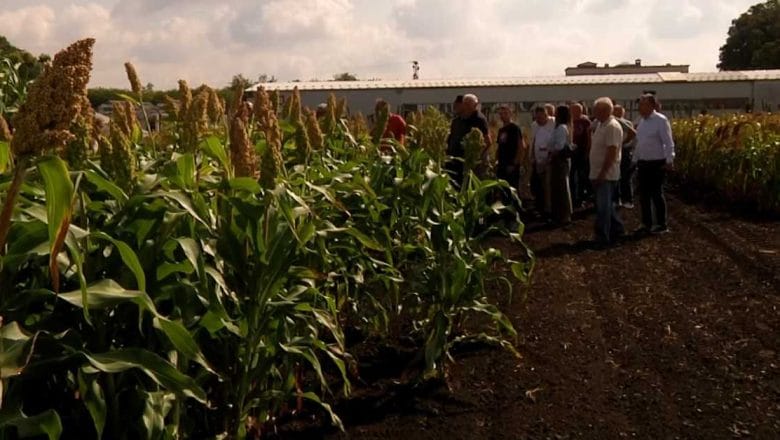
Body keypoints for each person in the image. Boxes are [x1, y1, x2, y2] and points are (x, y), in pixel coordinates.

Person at [633, 93, 675, 234]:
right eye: (640, 105)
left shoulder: (661, 121)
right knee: (644, 195)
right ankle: (646, 223)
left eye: (643, 104)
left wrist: (669, 160)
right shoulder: (642, 122)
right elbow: (640, 143)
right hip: (643, 162)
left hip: (657, 163)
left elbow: (668, 142)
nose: (640, 107)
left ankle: (661, 224)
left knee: (656, 194)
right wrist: (635, 160)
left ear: (651, 105)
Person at [589, 97, 624, 246]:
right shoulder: (601, 125)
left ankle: (603, 236)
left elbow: (612, 152)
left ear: (604, 111)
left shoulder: (612, 126)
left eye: (596, 110)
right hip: (598, 172)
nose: (594, 112)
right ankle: (617, 230)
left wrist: (603, 173)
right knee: (606, 206)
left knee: (603, 207)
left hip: (606, 175)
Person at [445, 94, 490, 186]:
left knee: (472, 185)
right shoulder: (457, 121)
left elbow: (487, 141)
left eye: (470, 105)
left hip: (472, 163)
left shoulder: (479, 119)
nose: (467, 107)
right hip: (456, 162)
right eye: (465, 104)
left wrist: (474, 158)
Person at [496, 105, 525, 216]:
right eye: (501, 114)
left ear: (510, 114)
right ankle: (505, 211)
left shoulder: (514, 128)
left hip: (511, 164)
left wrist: (515, 163)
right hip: (502, 164)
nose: (502, 116)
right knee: (503, 190)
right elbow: (499, 147)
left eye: (505, 113)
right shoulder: (501, 130)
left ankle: (516, 212)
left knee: (513, 189)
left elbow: (520, 146)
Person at [548, 105, 573, 224]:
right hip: (557, 159)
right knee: (557, 187)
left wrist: (551, 155)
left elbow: (559, 146)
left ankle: (565, 215)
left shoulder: (562, 128)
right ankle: (558, 213)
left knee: (562, 187)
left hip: (560, 160)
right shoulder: (558, 127)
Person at [530, 106, 555, 218]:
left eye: (540, 118)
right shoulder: (534, 125)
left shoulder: (554, 123)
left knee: (548, 185)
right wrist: (531, 157)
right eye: (537, 118)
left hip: (549, 160)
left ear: (546, 115)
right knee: (538, 185)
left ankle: (548, 209)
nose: (538, 120)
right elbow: (533, 141)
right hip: (538, 159)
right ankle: (539, 206)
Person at [613, 105, 637, 208]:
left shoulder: (625, 123)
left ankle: (626, 199)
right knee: (619, 176)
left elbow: (632, 134)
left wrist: (622, 143)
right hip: (621, 150)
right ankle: (620, 199)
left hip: (624, 150)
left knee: (624, 176)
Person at [569, 102, 592, 208]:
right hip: (571, 152)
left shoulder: (585, 122)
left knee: (582, 175)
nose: (575, 112)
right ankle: (573, 197)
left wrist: (588, 151)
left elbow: (589, 138)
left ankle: (582, 196)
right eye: (573, 110)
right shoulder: (569, 121)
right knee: (572, 175)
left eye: (577, 110)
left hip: (582, 151)